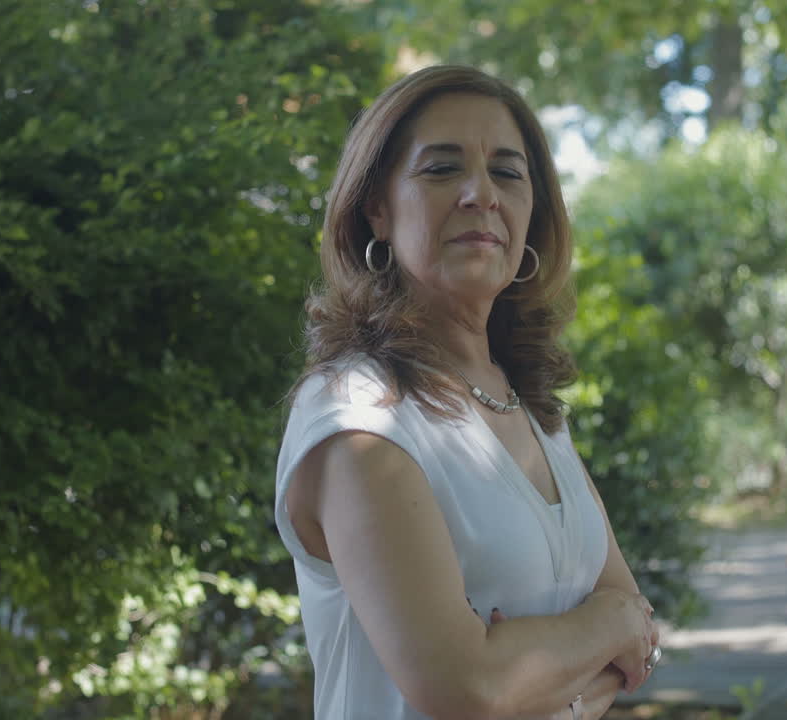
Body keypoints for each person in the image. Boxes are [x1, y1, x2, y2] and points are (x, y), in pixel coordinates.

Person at [274, 64, 662, 720]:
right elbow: (467, 688)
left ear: (531, 209)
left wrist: (540, 664)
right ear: (378, 208)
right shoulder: (360, 416)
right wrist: (603, 628)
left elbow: (640, 641)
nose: (480, 193)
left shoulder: (533, 408)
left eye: (508, 173)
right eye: (441, 169)